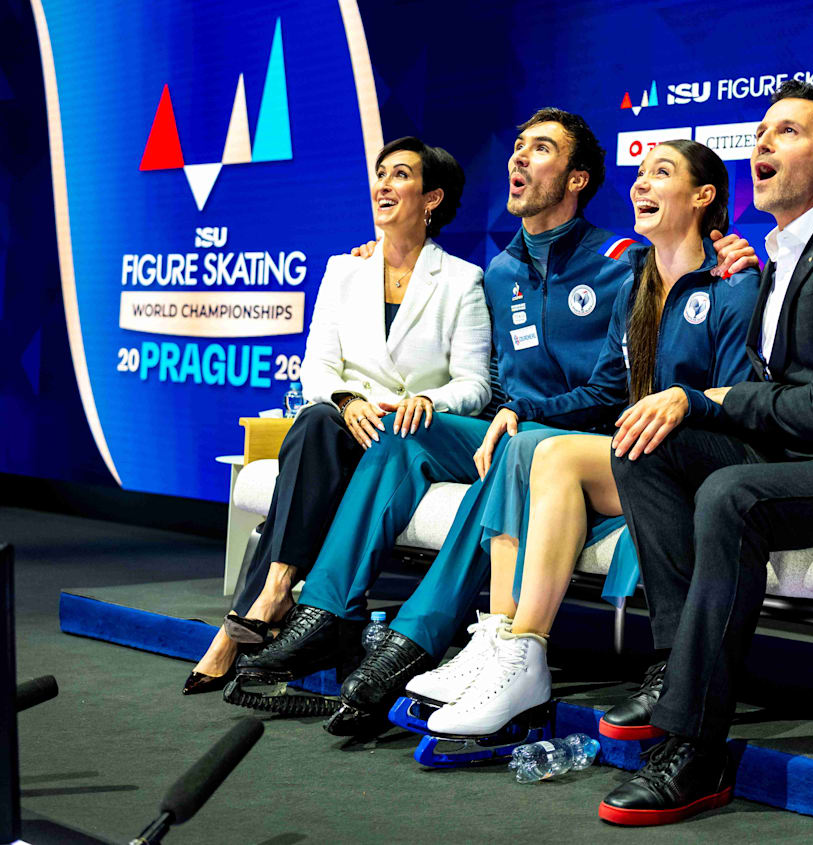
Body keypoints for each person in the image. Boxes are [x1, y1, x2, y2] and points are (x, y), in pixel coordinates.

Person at [234, 111, 757, 732]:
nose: (517, 159)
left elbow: (618, 387)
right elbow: (492, 382)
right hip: (511, 425)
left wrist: (730, 251)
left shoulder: (623, 263)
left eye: (539, 150)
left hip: (580, 434)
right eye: (516, 146)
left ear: (578, 179)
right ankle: (325, 612)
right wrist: (379, 265)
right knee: (408, 430)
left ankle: (419, 641)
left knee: (516, 447)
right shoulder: (498, 271)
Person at [596, 81, 813, 826]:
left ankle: (695, 746)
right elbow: (774, 392)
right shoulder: (775, 262)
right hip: (801, 455)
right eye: (759, 131)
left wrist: (708, 398)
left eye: (785, 132)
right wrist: (693, 408)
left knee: (732, 493)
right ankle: (672, 668)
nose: (761, 144)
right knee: (643, 444)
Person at [397, 140, 758, 749]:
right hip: (640, 455)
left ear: (704, 198)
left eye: (661, 174)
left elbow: (740, 404)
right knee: (526, 442)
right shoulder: (637, 286)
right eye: (640, 173)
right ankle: (504, 640)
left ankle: (524, 653)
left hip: (703, 461)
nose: (641, 184)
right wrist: (521, 409)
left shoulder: (734, 282)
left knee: (555, 452)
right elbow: (613, 390)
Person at [184, 137, 489, 694]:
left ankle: (246, 624)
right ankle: (275, 594)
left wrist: (432, 401)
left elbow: (475, 384)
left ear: (432, 198)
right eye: (379, 174)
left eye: (400, 175)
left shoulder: (463, 280)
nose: (383, 185)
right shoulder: (342, 270)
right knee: (317, 420)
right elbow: (317, 367)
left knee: (306, 453)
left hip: (411, 434)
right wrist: (347, 400)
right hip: (345, 427)